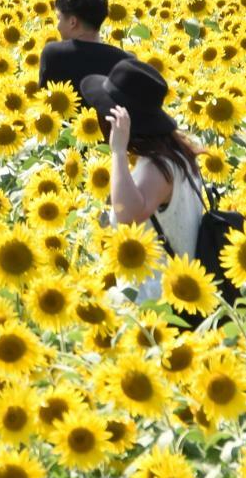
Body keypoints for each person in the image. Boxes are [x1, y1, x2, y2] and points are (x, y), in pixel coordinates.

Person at [78, 58, 207, 305]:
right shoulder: (176, 156)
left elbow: (128, 214)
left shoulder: (158, 165)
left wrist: (118, 149)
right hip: (173, 294)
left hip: (154, 303)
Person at [37, 0, 129, 92]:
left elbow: (43, 98)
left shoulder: (53, 53)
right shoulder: (124, 61)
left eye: (59, 18)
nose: (58, 26)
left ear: (72, 22)